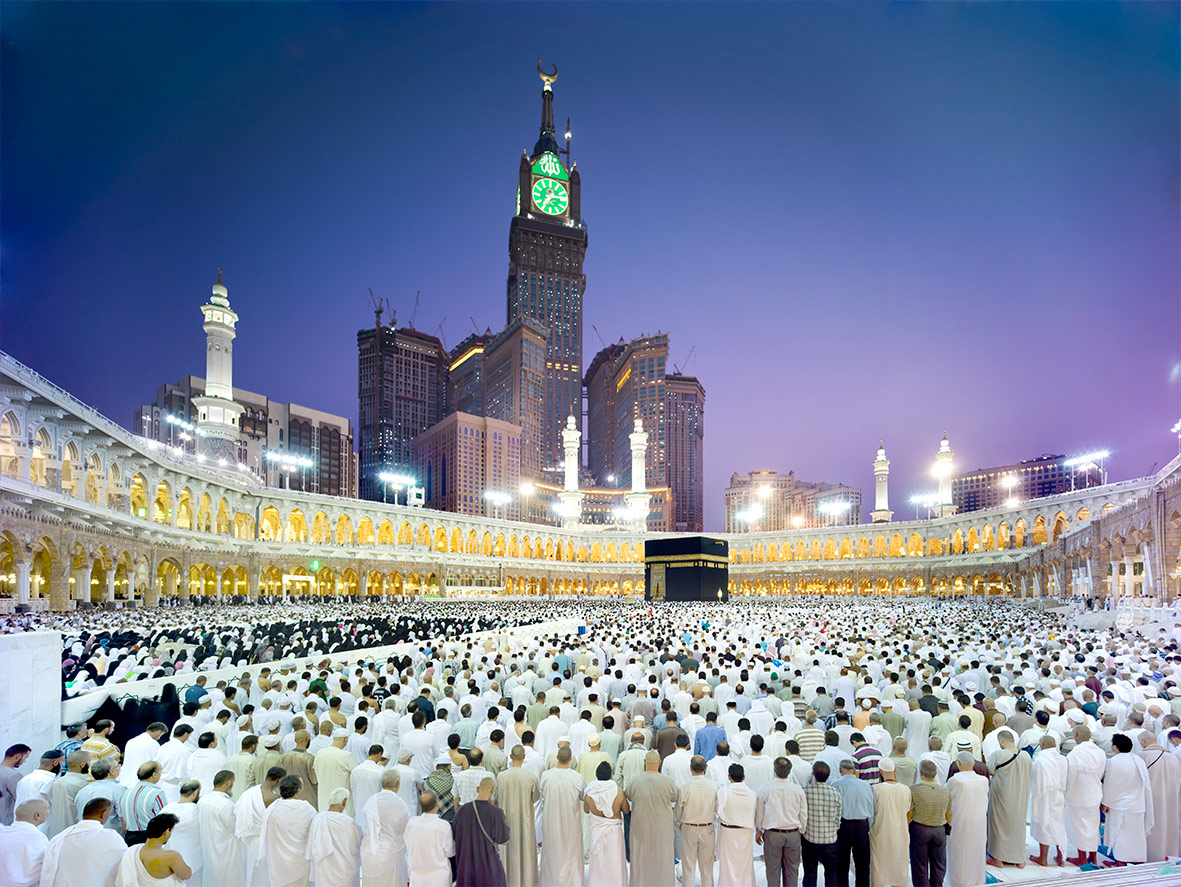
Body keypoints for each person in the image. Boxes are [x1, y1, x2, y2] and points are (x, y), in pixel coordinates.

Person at [40, 798, 128, 887]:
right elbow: (126, 866)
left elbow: (48, 872)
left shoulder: (59, 838)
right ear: (103, 813)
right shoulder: (111, 837)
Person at [625, 750, 678, 887]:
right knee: (663, 858)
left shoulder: (634, 780)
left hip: (640, 828)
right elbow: (675, 797)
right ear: (659, 763)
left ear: (644, 762)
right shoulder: (668, 781)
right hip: (662, 829)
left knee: (641, 858)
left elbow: (628, 795)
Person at [1101, 733, 1154, 864]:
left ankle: (1120, 862)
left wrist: (1105, 802)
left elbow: (1110, 785)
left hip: (1120, 805)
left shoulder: (1113, 762)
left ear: (1115, 747)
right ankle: (1139, 860)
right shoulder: (1138, 760)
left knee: (1120, 834)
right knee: (1136, 835)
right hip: (1138, 804)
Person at [538, 746, 585, 887]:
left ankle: (550, 882)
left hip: (551, 821)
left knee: (552, 851)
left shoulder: (546, 776)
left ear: (557, 758)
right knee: (571, 852)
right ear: (571, 759)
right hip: (571, 822)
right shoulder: (577, 777)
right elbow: (584, 796)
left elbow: (542, 793)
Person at [756, 756, 806, 887]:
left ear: (774, 770)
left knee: (773, 870)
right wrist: (801, 830)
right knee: (792, 870)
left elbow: (760, 812)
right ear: (789, 771)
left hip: (772, 834)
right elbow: (803, 814)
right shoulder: (798, 790)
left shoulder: (766, 789)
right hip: (793, 833)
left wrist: (759, 830)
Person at [984, 728, 1030, 868]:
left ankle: (997, 858)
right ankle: (1019, 859)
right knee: (1018, 826)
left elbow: (989, 770)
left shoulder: (999, 754)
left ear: (1001, 741)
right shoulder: (1026, 756)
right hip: (1020, 797)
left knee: (999, 826)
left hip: (1001, 796)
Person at [453, 775, 510, 887]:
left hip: (466, 868)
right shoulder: (497, 813)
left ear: (478, 789)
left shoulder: (462, 810)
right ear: (492, 790)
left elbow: (455, 835)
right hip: (488, 868)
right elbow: (504, 841)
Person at [261, 774, 317, 887]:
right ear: (298, 791)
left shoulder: (272, 809)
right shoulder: (307, 809)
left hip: (279, 863)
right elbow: (316, 833)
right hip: (301, 862)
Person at [497, 745, 540, 887]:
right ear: (524, 757)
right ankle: (526, 880)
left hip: (505, 820)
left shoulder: (501, 776)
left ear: (510, 756)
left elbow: (496, 797)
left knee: (507, 851)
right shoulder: (530, 777)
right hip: (524, 820)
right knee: (525, 849)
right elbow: (535, 798)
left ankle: (507, 879)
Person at [359, 768, 410, 887]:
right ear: (397, 784)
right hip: (391, 854)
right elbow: (405, 830)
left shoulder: (371, 801)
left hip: (369, 852)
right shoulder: (399, 803)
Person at [235, 765, 284, 886]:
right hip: (267, 841)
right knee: (266, 874)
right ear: (278, 780)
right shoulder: (275, 798)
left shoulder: (249, 793)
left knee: (252, 873)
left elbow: (238, 811)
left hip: (252, 841)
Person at [1064, 724, 1105, 867]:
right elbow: (1101, 772)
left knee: (1079, 827)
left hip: (1078, 794)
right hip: (1095, 792)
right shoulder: (1099, 752)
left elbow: (1070, 776)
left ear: (1075, 735)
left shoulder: (1075, 753)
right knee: (1093, 826)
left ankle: (1081, 858)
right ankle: (1093, 858)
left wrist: (1067, 792)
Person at [115, 812, 193, 886]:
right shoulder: (172, 856)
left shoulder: (133, 852)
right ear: (166, 832)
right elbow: (186, 875)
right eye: (171, 831)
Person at [946, 752, 988, 887]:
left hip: (961, 821)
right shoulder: (983, 780)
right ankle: (977, 880)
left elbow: (946, 796)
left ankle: (959, 882)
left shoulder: (955, 781)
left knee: (960, 852)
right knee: (976, 849)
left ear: (958, 763)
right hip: (979, 821)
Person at [198, 770, 246, 887]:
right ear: (228, 783)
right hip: (225, 851)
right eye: (233, 782)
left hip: (208, 848)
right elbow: (235, 828)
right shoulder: (226, 804)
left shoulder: (203, 800)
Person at [583, 761, 628, 887]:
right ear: (610, 775)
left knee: (598, 861)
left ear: (596, 775)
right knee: (615, 860)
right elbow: (626, 810)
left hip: (597, 830)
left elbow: (586, 810)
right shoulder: (618, 792)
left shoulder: (589, 792)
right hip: (614, 832)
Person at [677, 754, 719, 887]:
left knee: (688, 866)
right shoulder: (714, 786)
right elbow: (718, 809)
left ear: (690, 768)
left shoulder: (684, 787)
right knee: (707, 867)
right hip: (708, 828)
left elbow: (677, 812)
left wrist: (680, 822)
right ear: (705, 768)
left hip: (689, 828)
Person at [1138, 731, 1181, 861]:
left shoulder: (1143, 756)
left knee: (1153, 831)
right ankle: (1171, 854)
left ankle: (1151, 857)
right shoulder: (1173, 757)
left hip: (1152, 799)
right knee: (1170, 826)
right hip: (1172, 799)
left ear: (1143, 742)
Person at [908, 759, 951, 887]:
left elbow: (909, 812)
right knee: (939, 864)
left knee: (919, 864)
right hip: (939, 830)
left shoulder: (913, 790)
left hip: (920, 829)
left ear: (920, 773)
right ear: (935, 773)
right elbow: (949, 814)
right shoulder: (945, 791)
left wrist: (907, 826)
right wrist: (946, 831)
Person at [868, 758, 910, 887]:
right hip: (901, 832)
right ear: (894, 769)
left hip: (880, 832)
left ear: (880, 771)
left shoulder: (875, 789)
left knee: (879, 863)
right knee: (899, 862)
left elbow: (871, 813)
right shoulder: (905, 789)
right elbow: (908, 812)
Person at [1029, 735, 1068, 867]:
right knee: (1059, 825)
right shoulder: (1063, 759)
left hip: (1044, 797)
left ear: (1042, 745)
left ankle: (1043, 858)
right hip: (1059, 795)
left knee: (1044, 824)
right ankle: (1060, 857)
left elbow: (1037, 781)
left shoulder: (1041, 760)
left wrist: (1035, 799)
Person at [832, 759, 873, 887]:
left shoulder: (836, 785)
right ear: (854, 770)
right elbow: (871, 807)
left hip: (843, 826)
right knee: (863, 862)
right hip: (862, 825)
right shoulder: (866, 785)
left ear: (840, 770)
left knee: (842, 861)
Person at [717, 761, 757, 887]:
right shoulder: (752, 794)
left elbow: (717, 810)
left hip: (728, 832)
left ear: (729, 777)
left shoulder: (723, 792)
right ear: (744, 777)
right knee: (745, 864)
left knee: (727, 864)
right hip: (745, 832)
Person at [802, 761, 842, 887]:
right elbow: (838, 818)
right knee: (831, 874)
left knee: (810, 873)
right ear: (828, 775)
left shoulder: (805, 791)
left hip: (810, 839)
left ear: (813, 774)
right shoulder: (835, 793)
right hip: (830, 840)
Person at [405, 790, 455, 887]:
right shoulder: (443, 826)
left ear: (420, 805)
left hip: (416, 877)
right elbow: (450, 852)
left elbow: (407, 843)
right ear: (437, 803)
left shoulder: (411, 823)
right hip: (438, 878)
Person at [160, 781, 203, 886]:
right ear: (195, 793)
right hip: (193, 859)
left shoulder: (166, 809)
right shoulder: (196, 810)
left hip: (170, 861)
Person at [0, 798, 49, 887]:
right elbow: (47, 865)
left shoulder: (3, 833)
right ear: (37, 815)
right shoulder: (37, 838)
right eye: (48, 809)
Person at [120, 762, 169, 845]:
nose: (160, 775)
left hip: (130, 836)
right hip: (150, 837)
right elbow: (164, 818)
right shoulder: (156, 793)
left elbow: (122, 817)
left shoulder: (126, 792)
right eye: (160, 772)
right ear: (154, 774)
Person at [47, 750, 92, 837]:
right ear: (82, 765)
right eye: (90, 761)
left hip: (55, 832)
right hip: (73, 832)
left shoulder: (58, 781)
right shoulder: (83, 785)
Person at [314, 729, 358, 816]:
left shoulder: (320, 753)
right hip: (341, 801)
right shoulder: (346, 755)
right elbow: (357, 772)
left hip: (323, 798)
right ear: (345, 739)